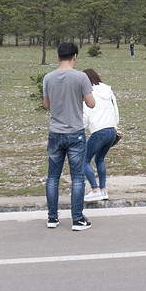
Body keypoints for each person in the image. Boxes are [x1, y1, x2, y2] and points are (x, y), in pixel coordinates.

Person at [42, 41, 95, 231]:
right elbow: (91, 104)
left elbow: (47, 105)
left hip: (55, 132)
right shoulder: (81, 77)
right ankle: (77, 218)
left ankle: (52, 218)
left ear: (58, 57)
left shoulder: (48, 77)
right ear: (75, 57)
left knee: (53, 177)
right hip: (75, 133)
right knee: (78, 177)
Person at [82, 68, 120, 203]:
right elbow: (115, 108)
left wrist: (80, 126)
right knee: (100, 159)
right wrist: (115, 126)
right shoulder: (107, 90)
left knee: (84, 159)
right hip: (111, 130)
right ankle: (103, 189)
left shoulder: (88, 92)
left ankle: (95, 189)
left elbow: (85, 114)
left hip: (98, 131)